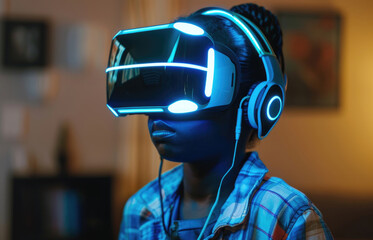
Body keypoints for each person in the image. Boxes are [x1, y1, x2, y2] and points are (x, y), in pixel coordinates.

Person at [109, 3, 333, 240]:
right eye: (158, 89)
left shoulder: (287, 216)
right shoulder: (141, 209)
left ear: (255, 105)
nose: (158, 113)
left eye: (187, 86)